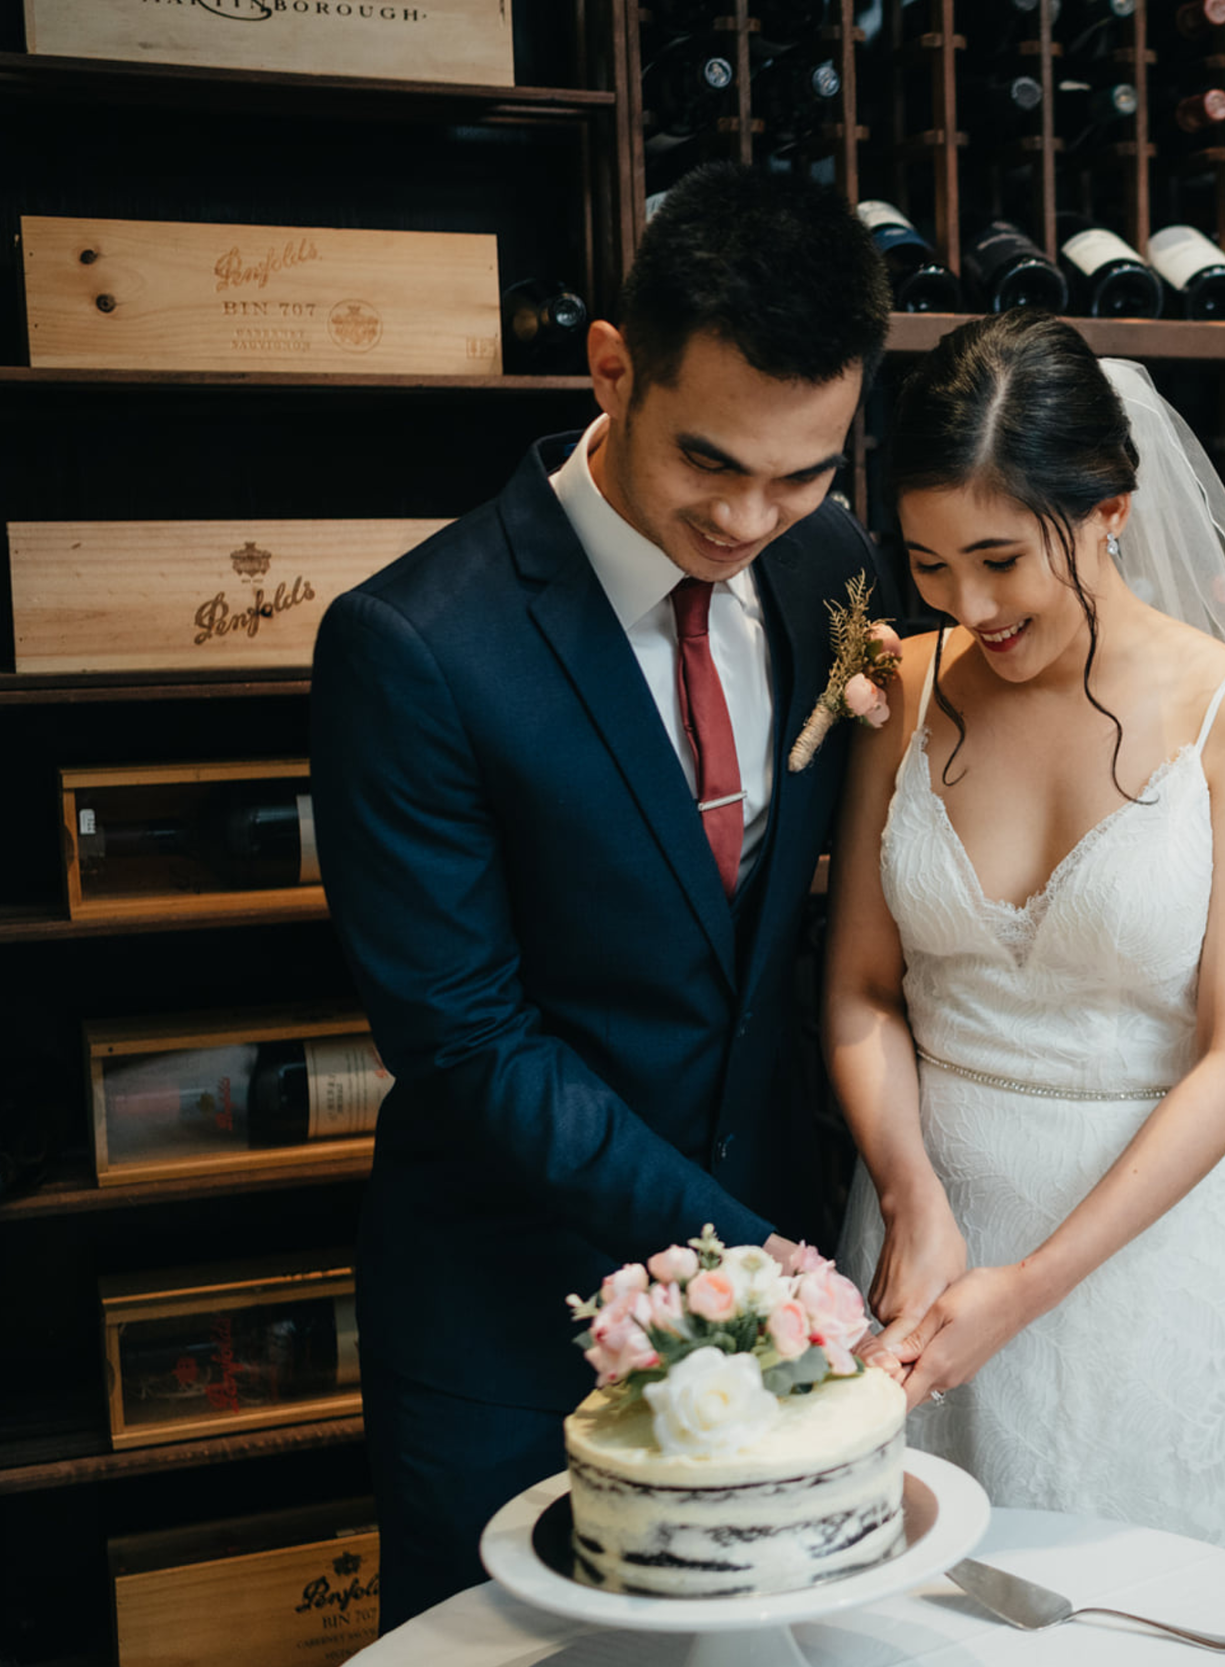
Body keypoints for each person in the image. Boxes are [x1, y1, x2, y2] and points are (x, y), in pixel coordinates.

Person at [309, 164, 891, 1628]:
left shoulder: (839, 567)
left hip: (782, 1275)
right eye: (714, 461)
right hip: (514, 1312)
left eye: (806, 468)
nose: (755, 515)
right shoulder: (413, 644)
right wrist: (752, 1259)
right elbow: (466, 1042)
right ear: (613, 367)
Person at [825, 309, 1225, 1578]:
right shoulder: (898, 687)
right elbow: (860, 989)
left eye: (1002, 558)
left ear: (1112, 509)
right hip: (929, 1224)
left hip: (1149, 1253)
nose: (968, 604)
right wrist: (913, 1199)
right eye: (929, 562)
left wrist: (1026, 1287)